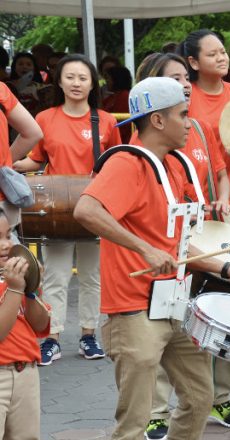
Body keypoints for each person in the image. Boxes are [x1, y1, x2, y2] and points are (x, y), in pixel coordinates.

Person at [74, 76, 230, 440]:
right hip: (133, 308)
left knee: (198, 397)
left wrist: (227, 268)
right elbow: (86, 210)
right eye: (182, 114)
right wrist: (140, 248)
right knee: (135, 414)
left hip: (175, 300)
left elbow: (178, 242)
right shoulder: (126, 164)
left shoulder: (176, 164)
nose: (189, 122)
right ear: (157, 119)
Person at [127, 52, 230, 440]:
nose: (185, 85)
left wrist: (220, 203)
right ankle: (157, 412)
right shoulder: (140, 145)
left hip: (202, 235)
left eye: (185, 78)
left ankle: (218, 399)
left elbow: (220, 175)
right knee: (167, 328)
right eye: (175, 79)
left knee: (216, 318)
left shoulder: (198, 127)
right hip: (167, 253)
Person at [13, 54, 121, 367]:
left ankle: (89, 334)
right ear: (59, 81)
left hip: (95, 207)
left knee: (92, 276)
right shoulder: (45, 118)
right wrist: (10, 164)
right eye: (70, 77)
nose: (76, 83)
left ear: (92, 83)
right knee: (57, 277)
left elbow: (116, 163)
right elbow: (37, 159)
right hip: (57, 211)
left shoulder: (107, 121)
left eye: (82, 77)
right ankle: (53, 337)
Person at [0, 102, 47, 440]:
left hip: (25, 367)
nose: (5, 245)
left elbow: (42, 324)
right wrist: (14, 290)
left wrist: (29, 291)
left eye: (7, 237)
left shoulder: (17, 269)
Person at [179, 29, 230, 223]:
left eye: (223, 52)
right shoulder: (185, 97)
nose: (221, 58)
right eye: (212, 55)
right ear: (194, 62)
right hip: (192, 196)